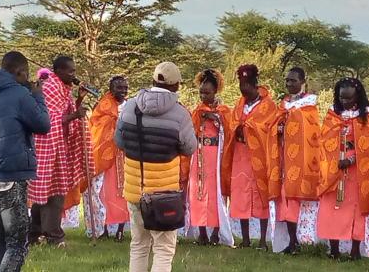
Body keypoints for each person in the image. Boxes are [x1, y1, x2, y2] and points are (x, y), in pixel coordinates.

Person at [115, 61, 197, 272]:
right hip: (164, 194)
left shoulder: (130, 105)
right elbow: (189, 148)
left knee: (139, 245)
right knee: (163, 249)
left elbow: (119, 142)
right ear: (177, 85)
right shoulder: (180, 114)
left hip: (134, 190)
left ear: (152, 80)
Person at [0, 51, 51, 271]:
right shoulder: (20, 95)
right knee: (17, 243)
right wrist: (38, 96)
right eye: (26, 74)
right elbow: (43, 125)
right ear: (20, 72)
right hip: (10, 176)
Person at [28, 55, 95, 247]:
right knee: (52, 194)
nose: (73, 74)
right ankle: (54, 236)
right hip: (47, 146)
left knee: (49, 192)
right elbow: (51, 119)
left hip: (58, 145)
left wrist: (80, 98)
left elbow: (66, 111)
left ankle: (35, 233)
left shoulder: (63, 88)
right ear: (58, 71)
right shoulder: (50, 87)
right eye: (70, 71)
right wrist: (75, 115)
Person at [317, 77, 369, 260]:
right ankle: (334, 249)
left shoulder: (366, 116)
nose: (345, 101)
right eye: (342, 98)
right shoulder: (332, 115)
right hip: (334, 168)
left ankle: (354, 251)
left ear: (357, 97)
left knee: (355, 210)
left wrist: (351, 160)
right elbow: (323, 140)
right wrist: (336, 157)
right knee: (332, 208)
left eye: (349, 98)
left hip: (356, 171)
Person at [221, 64, 278, 251]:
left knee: (260, 194)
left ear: (254, 85)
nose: (242, 88)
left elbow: (268, 127)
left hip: (259, 157)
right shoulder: (239, 103)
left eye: (246, 84)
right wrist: (237, 127)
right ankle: (245, 239)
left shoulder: (268, 105)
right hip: (240, 155)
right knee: (241, 196)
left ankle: (262, 240)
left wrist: (249, 128)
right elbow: (231, 123)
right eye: (240, 84)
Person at [269, 67, 321, 254]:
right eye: (287, 81)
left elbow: (312, 131)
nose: (289, 84)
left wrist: (291, 119)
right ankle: (291, 241)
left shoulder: (309, 106)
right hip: (284, 160)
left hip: (302, 161)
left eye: (293, 81)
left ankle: (301, 241)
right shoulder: (284, 104)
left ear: (302, 82)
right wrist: (279, 125)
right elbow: (274, 127)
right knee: (285, 201)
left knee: (295, 200)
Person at [186, 69, 234, 246]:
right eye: (201, 92)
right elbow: (190, 131)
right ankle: (201, 232)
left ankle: (215, 232)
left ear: (216, 92)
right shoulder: (196, 111)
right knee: (198, 191)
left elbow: (229, 133)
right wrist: (201, 117)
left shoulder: (224, 111)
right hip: (198, 156)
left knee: (215, 193)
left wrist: (217, 119)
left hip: (216, 155)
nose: (203, 96)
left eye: (207, 92)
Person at [87, 76, 130, 241]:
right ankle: (103, 227)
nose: (123, 91)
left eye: (125, 88)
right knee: (106, 193)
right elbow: (96, 125)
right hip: (106, 157)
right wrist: (113, 122)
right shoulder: (104, 104)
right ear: (111, 89)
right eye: (119, 88)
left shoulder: (130, 105)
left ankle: (120, 229)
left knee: (123, 192)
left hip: (124, 155)